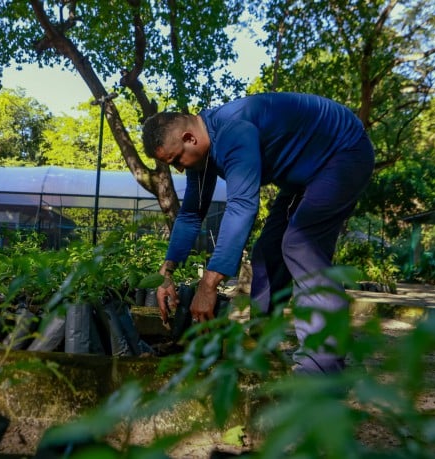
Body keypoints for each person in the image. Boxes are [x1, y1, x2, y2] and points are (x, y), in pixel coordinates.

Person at [142, 92, 375, 374]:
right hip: (302, 175)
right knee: (267, 252)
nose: (180, 168)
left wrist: (208, 285)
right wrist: (166, 272)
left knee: (301, 243)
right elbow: (191, 214)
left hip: (343, 153)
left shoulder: (233, 131)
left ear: (190, 138)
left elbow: (242, 205)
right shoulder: (201, 154)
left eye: (177, 159)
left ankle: (323, 369)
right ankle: (262, 342)